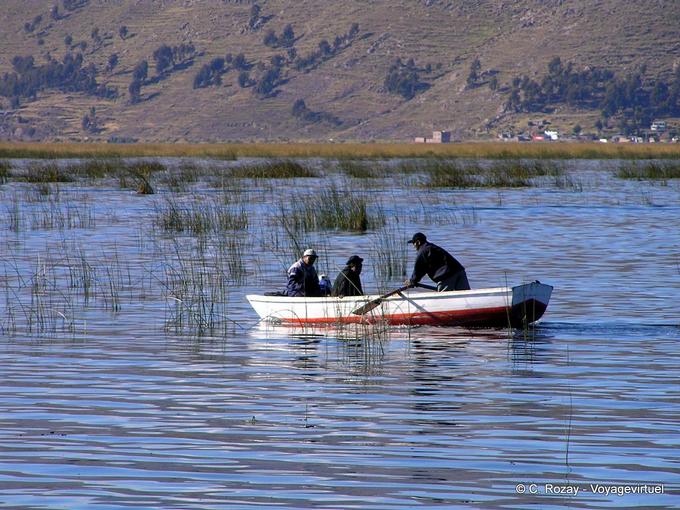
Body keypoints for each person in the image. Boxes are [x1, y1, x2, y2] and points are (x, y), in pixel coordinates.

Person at [404, 232, 470, 291]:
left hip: (447, 276)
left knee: (444, 299)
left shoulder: (422, 251)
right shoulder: (432, 247)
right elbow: (422, 269)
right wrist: (414, 281)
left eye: (413, 243)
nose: (413, 246)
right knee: (466, 295)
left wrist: (412, 281)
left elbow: (418, 269)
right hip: (459, 271)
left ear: (418, 242)